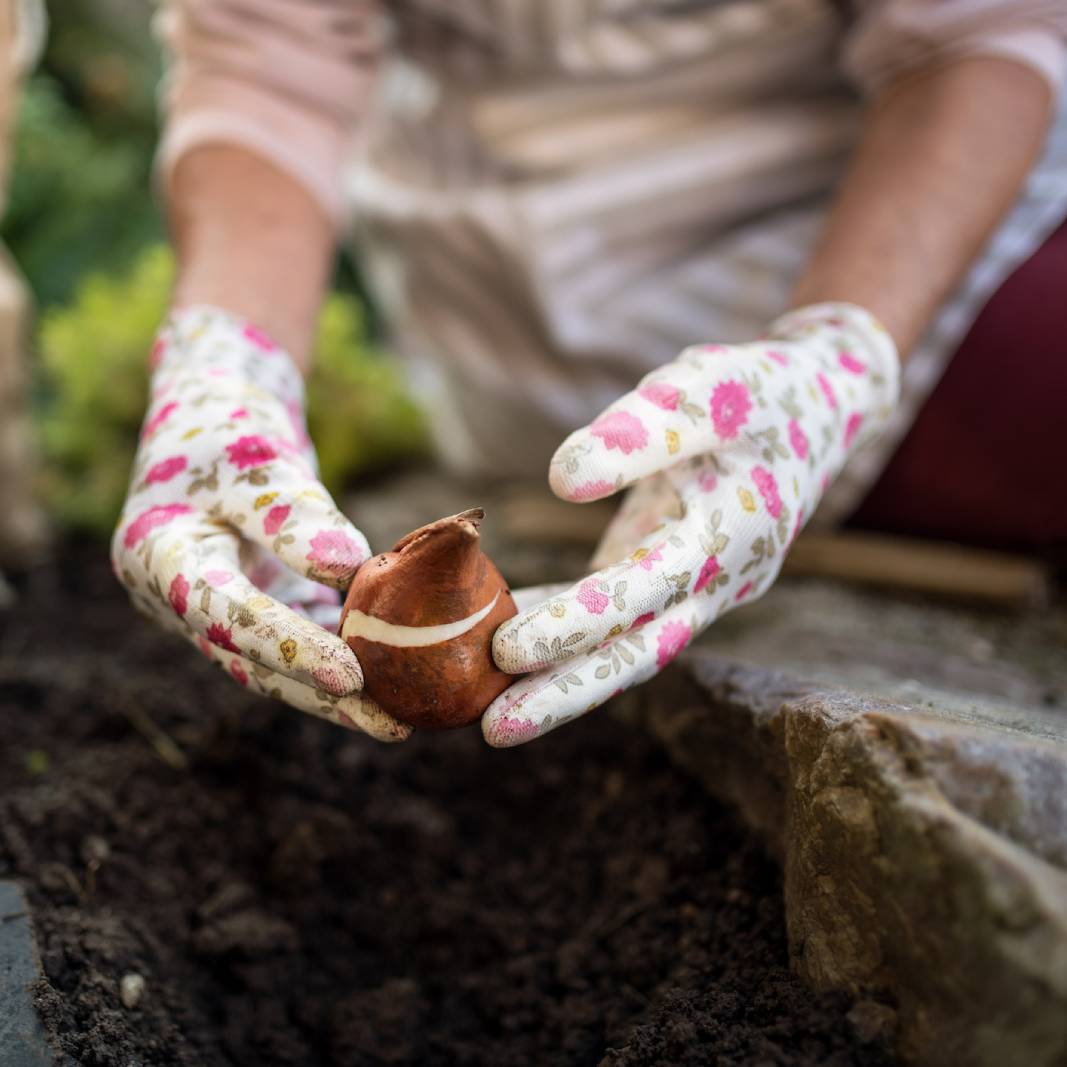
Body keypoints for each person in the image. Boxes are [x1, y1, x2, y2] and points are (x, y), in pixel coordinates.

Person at [112, 0, 1067, 747]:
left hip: (881, 237)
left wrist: (839, 354)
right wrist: (220, 366)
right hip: (514, 288)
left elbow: (975, 36)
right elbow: (269, 69)